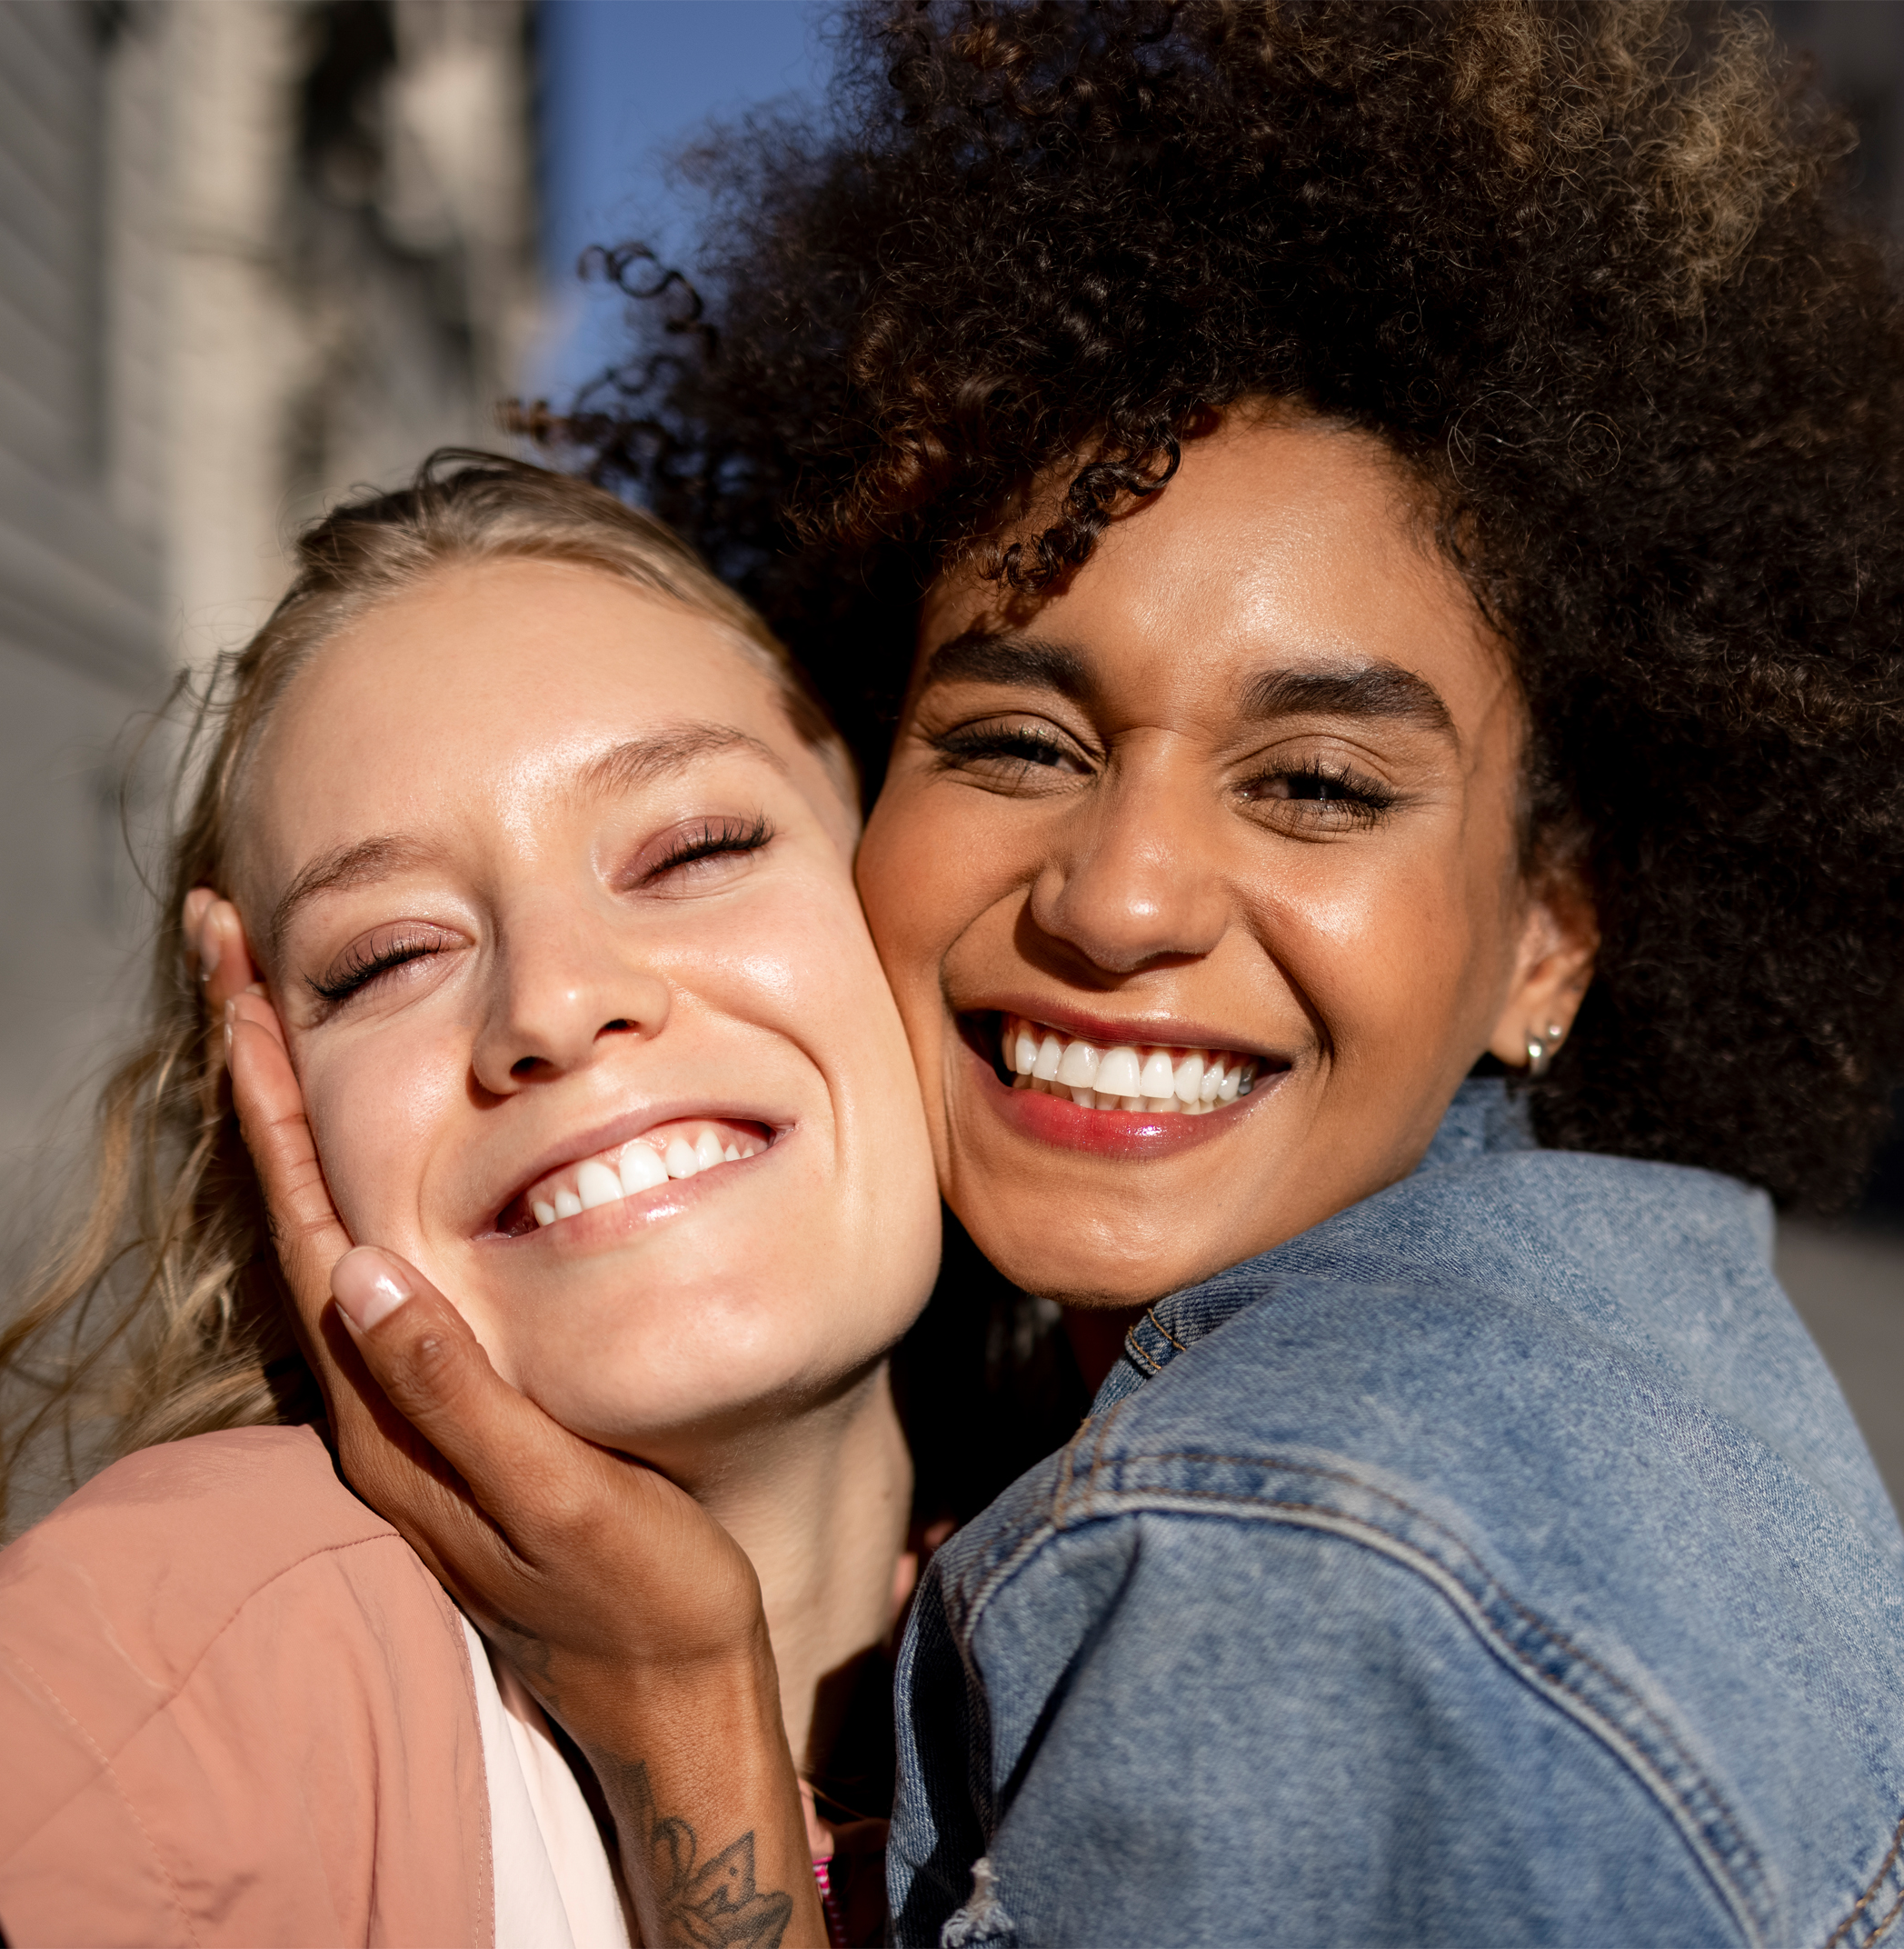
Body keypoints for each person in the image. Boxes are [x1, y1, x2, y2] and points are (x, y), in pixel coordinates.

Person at [233, 2, 1904, 1944]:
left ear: (1549, 931)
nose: (1116, 902)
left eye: (1313, 783)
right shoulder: (1634, 1337)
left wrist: (685, 1724)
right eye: (1017, 744)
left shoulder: (1266, 1551)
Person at [0, 455, 940, 1948]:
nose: (555, 1002)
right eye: (387, 957)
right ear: (269, 1116)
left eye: (696, 848)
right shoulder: (150, 1704)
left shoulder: (1209, 1571)